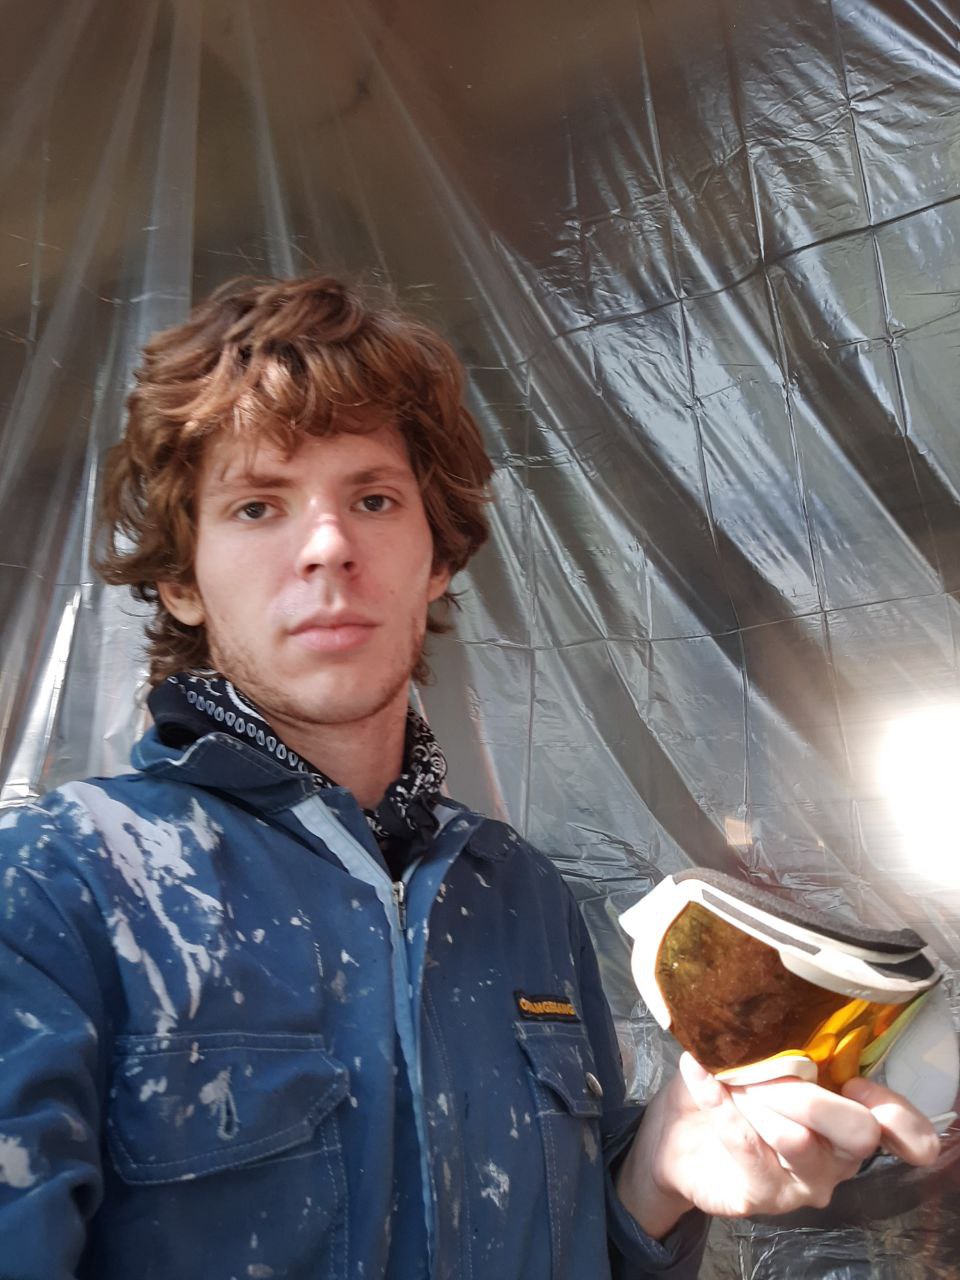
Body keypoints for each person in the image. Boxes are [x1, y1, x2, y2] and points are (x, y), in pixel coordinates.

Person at [0, 275, 939, 1280]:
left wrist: (657, 1175)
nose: (328, 545)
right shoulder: (58, 885)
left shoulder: (520, 892)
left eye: (373, 499)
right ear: (183, 579)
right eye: (258, 505)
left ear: (437, 557)